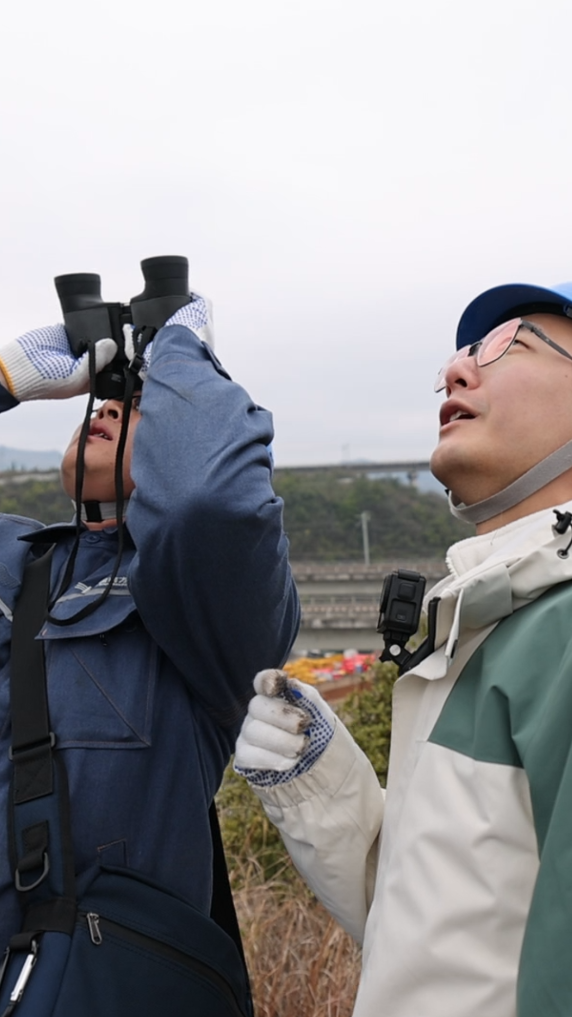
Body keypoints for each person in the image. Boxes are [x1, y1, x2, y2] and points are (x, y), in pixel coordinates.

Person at [234, 280, 572, 1017]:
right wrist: (323, 784)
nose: (455, 370)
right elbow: (439, 934)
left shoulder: (559, 630)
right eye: (460, 353)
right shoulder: (495, 620)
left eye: (507, 345)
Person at [0, 295, 300, 952]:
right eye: (102, 401)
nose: (105, 409)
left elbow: (210, 501)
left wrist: (179, 353)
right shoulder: (18, 561)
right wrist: (4, 379)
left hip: (98, 973)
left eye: (136, 407)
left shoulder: (205, 594)